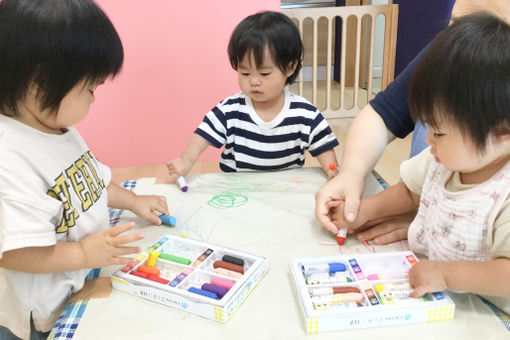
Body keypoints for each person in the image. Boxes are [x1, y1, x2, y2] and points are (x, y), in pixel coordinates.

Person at [0, 1, 170, 339]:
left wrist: (134, 200)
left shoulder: (57, 128)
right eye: (89, 88)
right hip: (36, 314)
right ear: (41, 82)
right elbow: (16, 253)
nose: (94, 98)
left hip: (76, 277)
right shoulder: (9, 156)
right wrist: (81, 252)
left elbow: (94, 183)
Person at [329, 12, 510, 312]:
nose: (428, 140)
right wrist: (363, 211)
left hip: (488, 316)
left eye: (438, 131)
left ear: (502, 135)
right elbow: (410, 191)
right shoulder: (444, 158)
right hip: (442, 296)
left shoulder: (503, 191)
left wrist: (445, 273)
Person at [315, 0, 510, 244]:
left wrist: (437, 221)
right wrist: (352, 176)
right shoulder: (449, 56)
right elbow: (383, 114)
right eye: (454, 26)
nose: (429, 139)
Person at [167, 11, 339, 180]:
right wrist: (185, 161)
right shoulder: (230, 109)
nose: (254, 81)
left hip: (285, 187)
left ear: (290, 68)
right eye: (245, 73)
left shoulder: (305, 113)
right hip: (238, 187)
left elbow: (324, 146)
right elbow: (203, 136)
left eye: (264, 74)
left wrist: (333, 173)